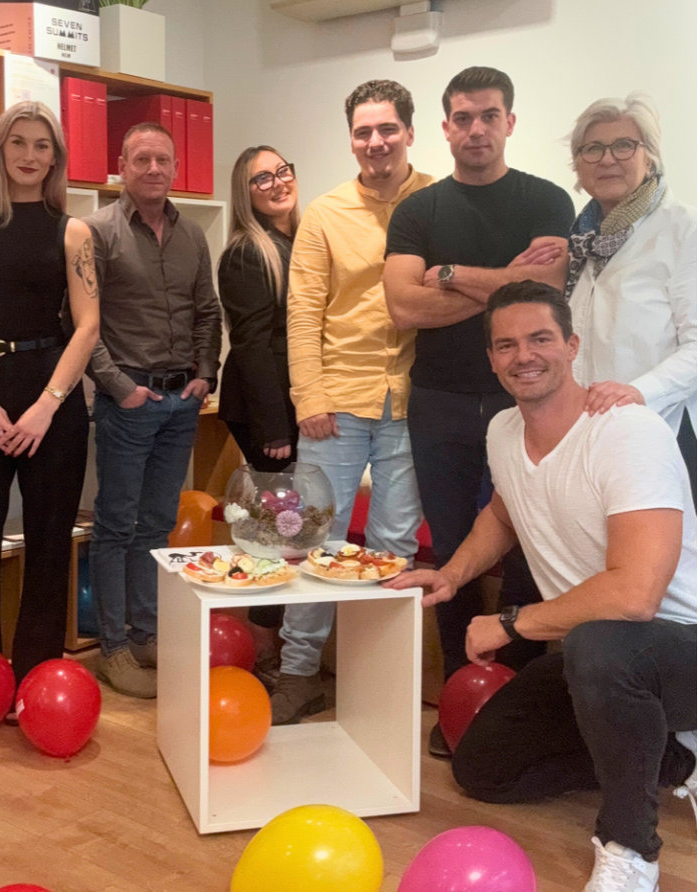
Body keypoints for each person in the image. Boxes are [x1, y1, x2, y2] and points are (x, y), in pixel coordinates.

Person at [385, 281, 696, 892]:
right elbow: (503, 515)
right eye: (506, 345)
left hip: (679, 647)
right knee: (485, 769)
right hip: (600, 655)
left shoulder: (627, 432)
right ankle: (676, 756)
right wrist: (451, 574)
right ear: (492, 358)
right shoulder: (504, 430)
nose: (523, 355)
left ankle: (631, 849)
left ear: (572, 345)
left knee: (599, 643)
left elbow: (635, 596)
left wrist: (510, 623)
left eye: (540, 339)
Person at [384, 66, 574, 755]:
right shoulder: (419, 210)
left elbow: (547, 295)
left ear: (509, 122)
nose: (476, 129)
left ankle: (514, 698)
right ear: (445, 128)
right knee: (453, 545)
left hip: (528, 401)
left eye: (489, 115)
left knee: (530, 543)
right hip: (440, 401)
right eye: (462, 118)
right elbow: (404, 306)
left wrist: (451, 274)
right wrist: (507, 283)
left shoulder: (547, 199)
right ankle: (459, 698)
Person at [273, 79, 434, 725]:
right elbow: (302, 311)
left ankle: (377, 679)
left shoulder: (437, 201)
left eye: (388, 128)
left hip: (413, 400)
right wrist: (308, 396)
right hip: (336, 401)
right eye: (364, 131)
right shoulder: (324, 214)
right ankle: (298, 673)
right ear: (351, 140)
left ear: (410, 133)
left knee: (394, 546)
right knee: (316, 539)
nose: (376, 141)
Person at [0, 101, 99, 692]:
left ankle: (33, 678)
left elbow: (88, 326)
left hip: (51, 403)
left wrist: (47, 405)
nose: (30, 155)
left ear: (55, 158)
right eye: (18, 143)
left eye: (42, 145)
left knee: (50, 543)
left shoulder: (73, 231)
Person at [84, 121, 223, 700]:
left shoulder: (192, 235)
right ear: (121, 166)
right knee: (116, 526)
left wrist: (205, 373)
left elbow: (207, 312)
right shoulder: (97, 232)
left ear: (175, 168)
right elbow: (81, 323)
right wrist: (119, 388)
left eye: (163, 160)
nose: (153, 169)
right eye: (141, 159)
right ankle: (113, 648)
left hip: (181, 402)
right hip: (130, 401)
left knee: (157, 524)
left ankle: (146, 635)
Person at [561, 93, 695, 490]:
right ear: (578, 164)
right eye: (592, 149)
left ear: (649, 157)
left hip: (661, 429)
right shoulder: (580, 240)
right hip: (589, 433)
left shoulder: (684, 229)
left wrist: (637, 392)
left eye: (624, 145)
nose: (607, 159)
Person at [217, 145, 299, 475]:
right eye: (262, 178)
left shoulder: (300, 242)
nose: (278, 183)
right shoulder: (247, 253)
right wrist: (273, 429)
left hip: (296, 395)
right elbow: (252, 346)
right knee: (282, 503)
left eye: (282, 171)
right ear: (245, 193)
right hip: (268, 408)